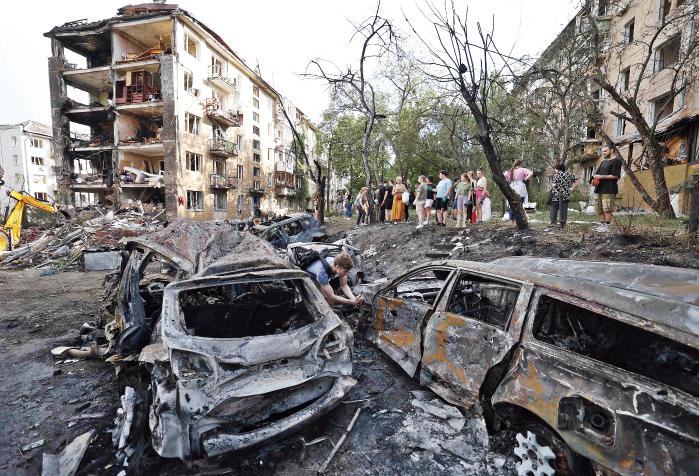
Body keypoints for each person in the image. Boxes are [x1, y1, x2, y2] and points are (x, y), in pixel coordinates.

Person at [592, 142, 623, 232]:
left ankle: (607, 227)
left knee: (607, 209)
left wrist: (601, 177)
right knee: (599, 209)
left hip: (609, 189)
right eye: (602, 151)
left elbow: (616, 176)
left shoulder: (616, 161)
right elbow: (597, 174)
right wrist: (593, 180)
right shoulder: (603, 162)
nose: (603, 153)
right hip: (599, 188)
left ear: (612, 150)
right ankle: (602, 226)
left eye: (605, 151)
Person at [550, 163, 579, 230]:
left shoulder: (556, 175)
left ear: (558, 169)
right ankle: (563, 223)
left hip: (556, 195)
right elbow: (577, 179)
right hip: (566, 194)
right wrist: (573, 188)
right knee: (564, 209)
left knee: (554, 208)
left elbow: (554, 185)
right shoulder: (569, 174)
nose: (555, 170)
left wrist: (553, 185)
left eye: (555, 169)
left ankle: (554, 222)